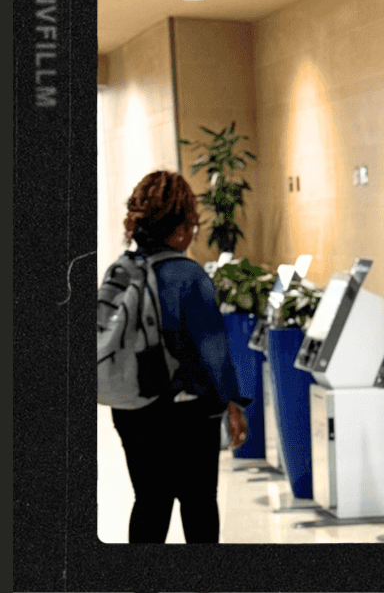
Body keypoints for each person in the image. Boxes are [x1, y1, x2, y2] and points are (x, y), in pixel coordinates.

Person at [110, 171, 250, 543]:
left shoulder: (123, 271)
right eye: (191, 224)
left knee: (149, 503)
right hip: (189, 414)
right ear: (179, 229)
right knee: (199, 504)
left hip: (131, 408)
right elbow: (214, 353)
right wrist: (233, 406)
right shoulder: (188, 276)